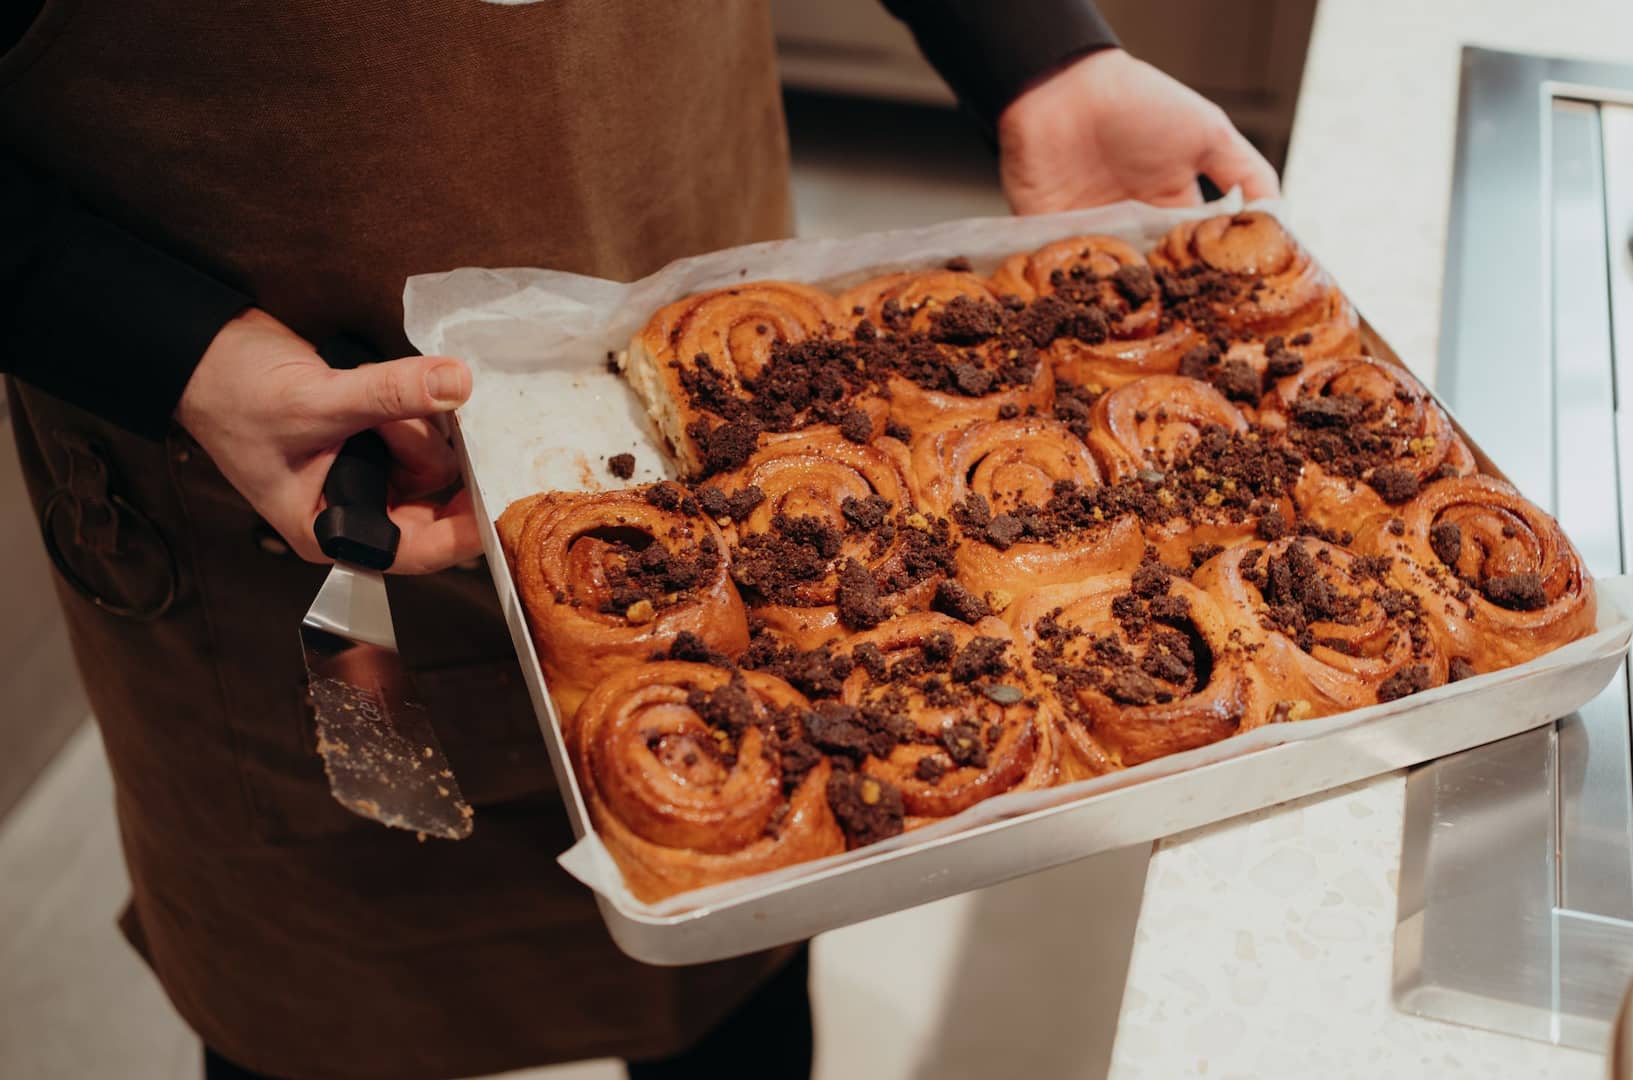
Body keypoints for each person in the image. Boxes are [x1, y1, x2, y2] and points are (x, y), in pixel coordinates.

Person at [0, 3, 1280, 1078]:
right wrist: (170, 346)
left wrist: (1034, 50)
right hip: (259, 449)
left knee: (732, 978)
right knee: (330, 995)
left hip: (693, 265)